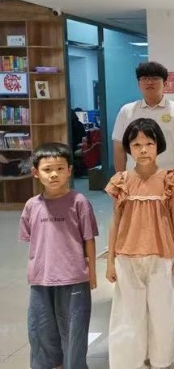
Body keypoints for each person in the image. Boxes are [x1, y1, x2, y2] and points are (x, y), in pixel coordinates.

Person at [105, 118, 174, 369]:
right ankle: (129, 361)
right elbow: (115, 222)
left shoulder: (170, 180)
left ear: (158, 145)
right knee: (129, 312)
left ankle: (161, 360)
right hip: (127, 255)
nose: (143, 150)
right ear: (128, 148)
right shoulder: (121, 181)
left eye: (149, 144)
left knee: (162, 310)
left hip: (162, 255)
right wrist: (110, 261)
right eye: (136, 144)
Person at [111, 61, 174, 298]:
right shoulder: (127, 111)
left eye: (155, 79)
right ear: (138, 83)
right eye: (144, 79)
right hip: (135, 182)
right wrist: (121, 178)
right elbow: (118, 146)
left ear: (164, 83)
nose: (149, 82)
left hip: (170, 183)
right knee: (136, 227)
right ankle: (135, 275)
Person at [19, 143, 98, 369]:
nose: (54, 174)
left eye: (60, 168)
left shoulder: (79, 202)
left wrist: (92, 273)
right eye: (47, 169)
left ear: (69, 170)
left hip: (73, 277)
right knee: (40, 329)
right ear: (36, 172)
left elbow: (89, 239)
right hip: (40, 279)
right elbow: (32, 240)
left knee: (74, 329)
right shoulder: (31, 206)